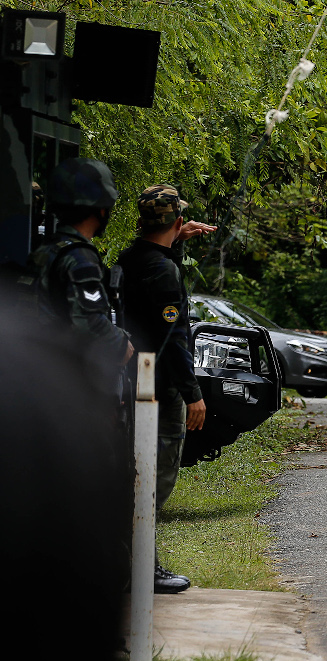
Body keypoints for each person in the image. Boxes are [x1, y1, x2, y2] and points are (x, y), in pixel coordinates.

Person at [117, 184, 216, 594]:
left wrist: (175, 242)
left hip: (130, 383)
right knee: (154, 480)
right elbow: (174, 336)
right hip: (157, 390)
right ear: (176, 221)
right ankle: (139, 567)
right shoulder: (162, 270)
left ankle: (132, 563)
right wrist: (192, 393)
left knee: (132, 476)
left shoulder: (131, 258)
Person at [29, 158, 134, 374]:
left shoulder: (46, 249)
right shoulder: (79, 257)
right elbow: (90, 322)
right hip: (62, 383)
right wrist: (121, 344)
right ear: (102, 209)